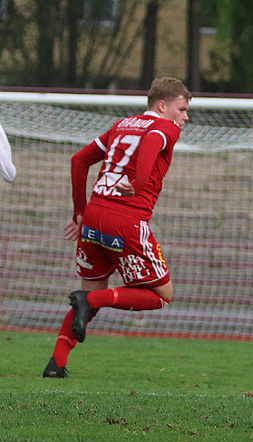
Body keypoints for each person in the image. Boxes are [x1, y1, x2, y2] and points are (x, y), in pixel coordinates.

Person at [42, 77, 191, 378]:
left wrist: (79, 212)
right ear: (163, 105)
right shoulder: (165, 127)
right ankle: (91, 300)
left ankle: (56, 363)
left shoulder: (122, 125)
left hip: (94, 215)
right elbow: (151, 142)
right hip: (126, 220)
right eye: (182, 108)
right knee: (161, 294)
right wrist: (137, 183)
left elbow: (79, 161)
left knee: (91, 292)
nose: (185, 117)